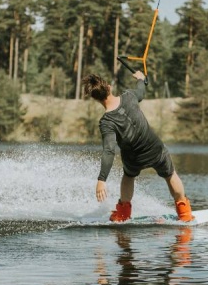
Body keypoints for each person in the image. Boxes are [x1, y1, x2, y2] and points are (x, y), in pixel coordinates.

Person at [82, 70, 193, 222]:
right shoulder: (129, 96)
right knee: (170, 175)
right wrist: (141, 79)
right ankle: (185, 213)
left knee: (128, 177)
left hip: (133, 157)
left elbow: (109, 150)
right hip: (155, 149)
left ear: (95, 99)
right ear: (109, 87)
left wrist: (102, 180)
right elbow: (141, 91)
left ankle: (122, 214)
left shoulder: (106, 122)